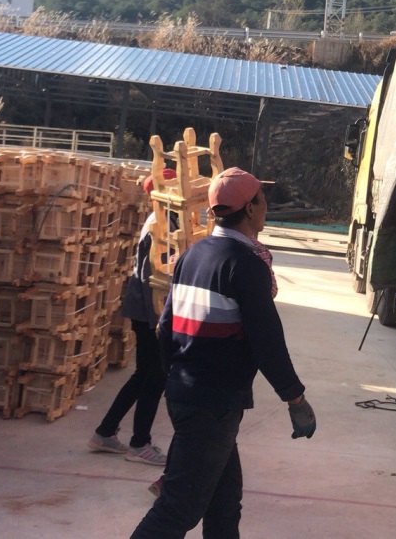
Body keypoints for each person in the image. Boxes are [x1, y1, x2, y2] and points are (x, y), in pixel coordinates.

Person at [130, 167, 316, 539]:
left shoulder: (194, 254)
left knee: (224, 505)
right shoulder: (245, 265)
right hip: (211, 404)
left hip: (191, 396)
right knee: (177, 511)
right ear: (250, 209)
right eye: (263, 198)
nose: (266, 205)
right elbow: (267, 342)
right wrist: (294, 398)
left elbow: (165, 327)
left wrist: (177, 376)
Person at [89, 169, 179, 472]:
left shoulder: (167, 219)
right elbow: (155, 275)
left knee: (144, 375)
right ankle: (140, 443)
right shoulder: (160, 224)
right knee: (155, 377)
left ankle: (105, 432)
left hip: (147, 310)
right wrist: (161, 319)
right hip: (150, 311)